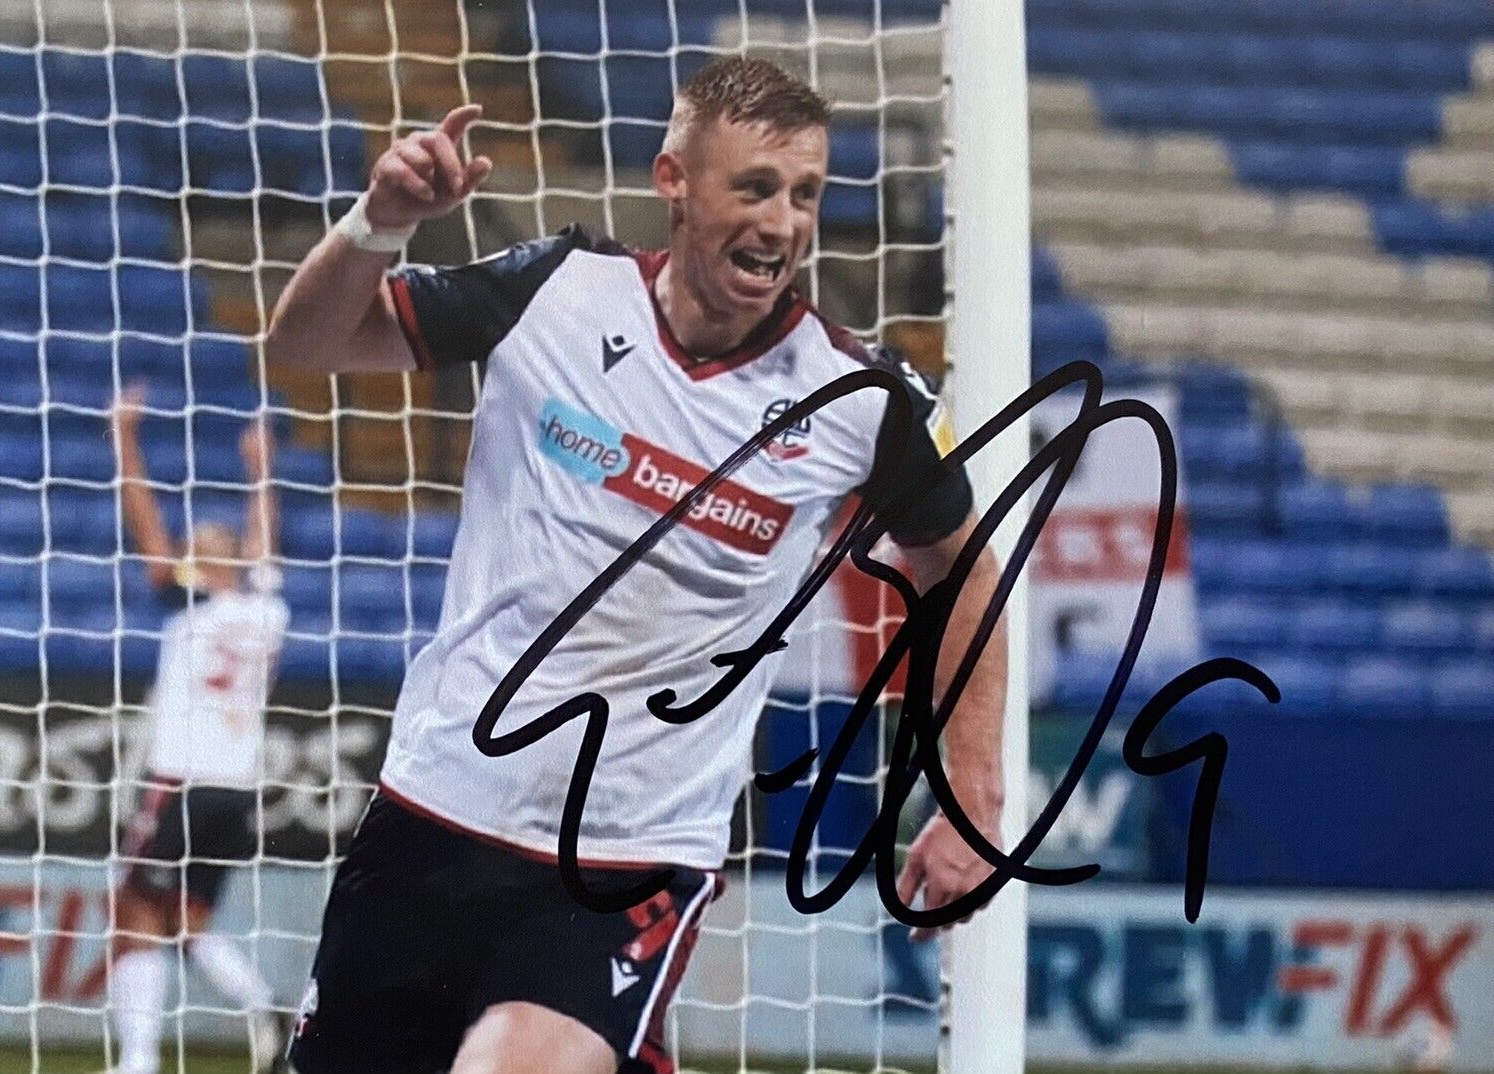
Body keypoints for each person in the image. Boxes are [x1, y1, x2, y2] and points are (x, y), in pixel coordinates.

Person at [265, 55, 1007, 1074]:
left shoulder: (858, 400)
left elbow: (960, 570)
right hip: (438, 805)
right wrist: (379, 222)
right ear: (674, 181)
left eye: (803, 195)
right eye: (752, 188)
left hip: (630, 854)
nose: (782, 222)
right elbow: (307, 339)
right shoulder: (554, 290)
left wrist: (972, 793)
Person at [106, 387, 293, 1074]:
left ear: (198, 563)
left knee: (131, 909)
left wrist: (124, 436)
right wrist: (260, 469)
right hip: (238, 790)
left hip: (181, 780)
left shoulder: (188, 602)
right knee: (185, 924)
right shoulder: (267, 612)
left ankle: (139, 1061)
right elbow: (265, 539)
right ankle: (264, 1004)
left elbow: (145, 525)